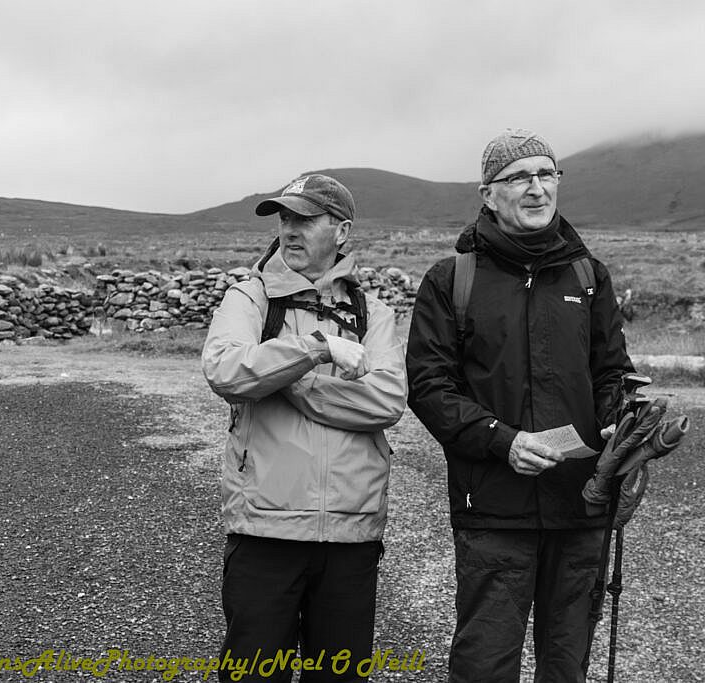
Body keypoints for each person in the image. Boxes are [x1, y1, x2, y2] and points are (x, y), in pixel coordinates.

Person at [406, 128, 634, 682]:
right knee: (484, 664)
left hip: (581, 503)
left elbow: (611, 373)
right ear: (488, 194)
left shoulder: (588, 275)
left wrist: (618, 423)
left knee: (566, 666)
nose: (537, 188)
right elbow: (430, 386)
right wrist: (502, 441)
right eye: (519, 178)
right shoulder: (451, 280)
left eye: (547, 174)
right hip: (493, 505)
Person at [202, 174, 407, 682]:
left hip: (352, 533)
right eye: (285, 218)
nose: (290, 230)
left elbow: (386, 401)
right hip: (265, 530)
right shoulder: (250, 298)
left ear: (342, 231)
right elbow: (225, 370)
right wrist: (315, 348)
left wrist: (287, 381)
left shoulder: (373, 313)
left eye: (306, 219)